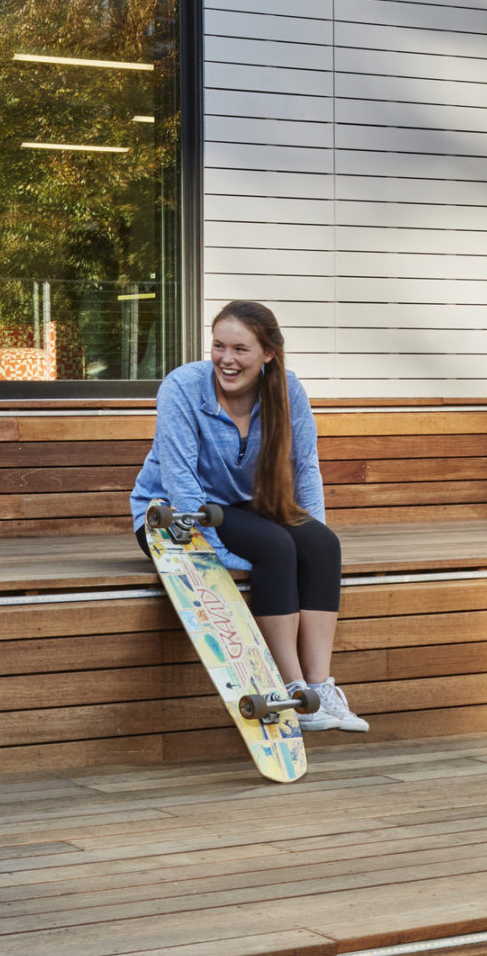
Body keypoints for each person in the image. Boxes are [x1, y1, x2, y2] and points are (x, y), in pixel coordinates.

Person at [130, 298, 367, 732]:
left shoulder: (287, 389)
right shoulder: (183, 387)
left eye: (240, 349)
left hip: (242, 508)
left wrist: (312, 541)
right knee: (276, 548)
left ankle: (320, 688)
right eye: (218, 346)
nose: (226, 359)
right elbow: (181, 482)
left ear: (268, 354)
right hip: (173, 518)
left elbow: (306, 467)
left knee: (322, 543)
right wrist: (217, 556)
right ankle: (294, 691)